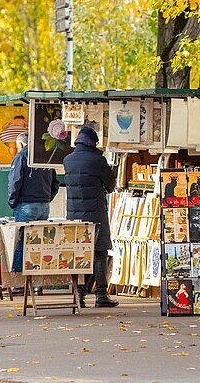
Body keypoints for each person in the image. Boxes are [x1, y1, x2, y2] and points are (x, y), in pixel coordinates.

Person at [63, 126, 118, 308]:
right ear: (93, 142)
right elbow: (110, 186)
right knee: (99, 254)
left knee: (79, 254)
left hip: (74, 216)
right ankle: (101, 294)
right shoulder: (98, 160)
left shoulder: (68, 160)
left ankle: (79, 294)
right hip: (96, 213)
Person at [8, 133, 59, 273]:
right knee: (40, 244)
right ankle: (36, 282)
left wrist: (12, 201)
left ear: (20, 144)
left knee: (22, 242)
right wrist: (47, 198)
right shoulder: (44, 156)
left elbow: (15, 182)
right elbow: (56, 183)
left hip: (26, 205)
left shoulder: (21, 157)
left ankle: (20, 280)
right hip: (44, 205)